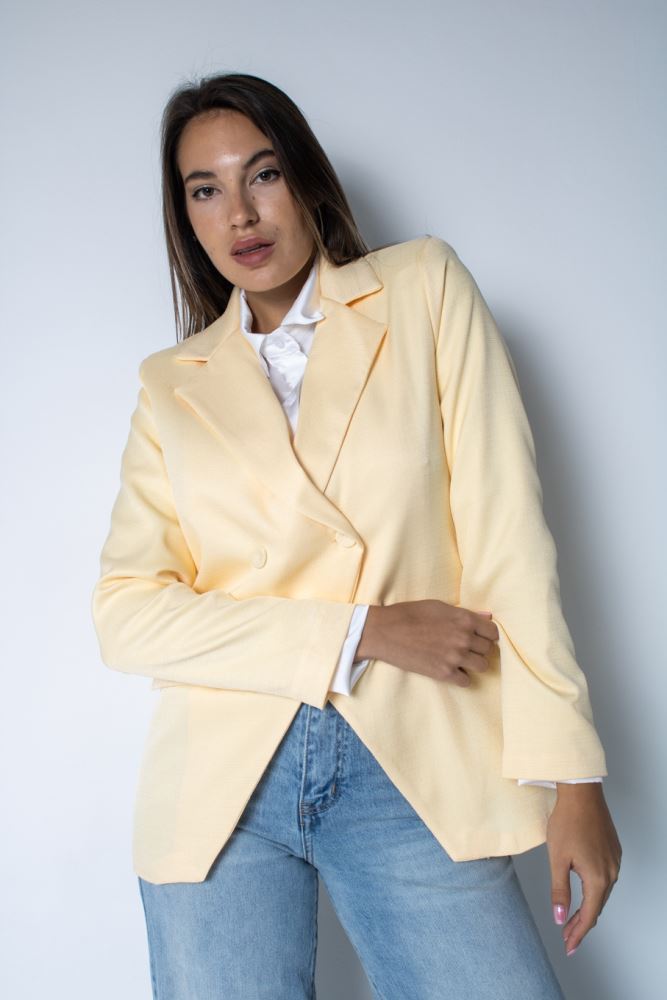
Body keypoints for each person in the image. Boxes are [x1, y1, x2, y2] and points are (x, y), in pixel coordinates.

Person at [91, 72, 621, 999]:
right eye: (205, 190)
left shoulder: (420, 289)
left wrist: (573, 777)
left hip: (412, 757)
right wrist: (360, 630)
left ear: (304, 178)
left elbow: (509, 540)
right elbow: (126, 616)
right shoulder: (171, 384)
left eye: (262, 175)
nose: (239, 214)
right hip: (220, 783)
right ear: (185, 216)